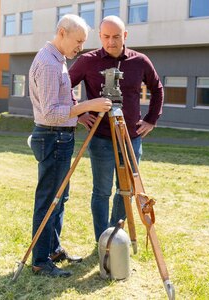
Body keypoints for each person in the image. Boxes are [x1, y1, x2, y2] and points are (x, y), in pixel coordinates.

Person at [28, 14, 112, 277]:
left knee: (59, 198)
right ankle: (41, 261)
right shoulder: (50, 64)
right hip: (53, 136)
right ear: (62, 33)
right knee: (49, 201)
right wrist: (89, 105)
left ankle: (53, 250)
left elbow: (62, 102)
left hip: (60, 137)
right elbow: (52, 113)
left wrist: (79, 110)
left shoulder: (58, 59)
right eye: (78, 41)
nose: (81, 48)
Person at [69, 15, 163, 242]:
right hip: (100, 138)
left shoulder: (140, 61)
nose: (111, 42)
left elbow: (157, 88)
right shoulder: (87, 61)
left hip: (131, 138)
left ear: (125, 36)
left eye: (116, 36)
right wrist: (80, 113)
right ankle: (102, 240)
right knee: (101, 191)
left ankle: (117, 236)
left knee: (126, 190)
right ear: (100, 36)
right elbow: (65, 86)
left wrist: (151, 119)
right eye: (106, 37)